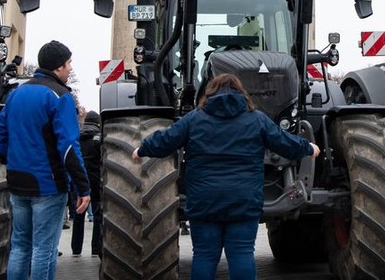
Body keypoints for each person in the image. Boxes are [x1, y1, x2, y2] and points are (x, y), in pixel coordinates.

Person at [132, 73, 319, 280]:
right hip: (243, 201)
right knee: (241, 253)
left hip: (204, 202)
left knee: (204, 255)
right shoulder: (257, 119)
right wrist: (308, 147)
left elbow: (167, 139)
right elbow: (283, 141)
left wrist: (143, 149)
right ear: (242, 94)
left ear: (209, 93)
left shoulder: (194, 119)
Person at [0, 41, 91, 280]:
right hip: (48, 185)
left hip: (17, 182)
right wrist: (83, 188)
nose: (70, 68)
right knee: (43, 249)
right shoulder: (60, 96)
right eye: (68, 63)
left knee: (20, 246)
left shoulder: (17, 94)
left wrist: (11, 160)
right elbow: (69, 147)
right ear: (58, 67)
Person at [70, 108, 103, 257]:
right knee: (97, 215)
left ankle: (76, 249)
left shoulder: (76, 137)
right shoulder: (99, 138)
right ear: (97, 123)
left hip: (78, 181)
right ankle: (95, 249)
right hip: (96, 181)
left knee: (78, 215)